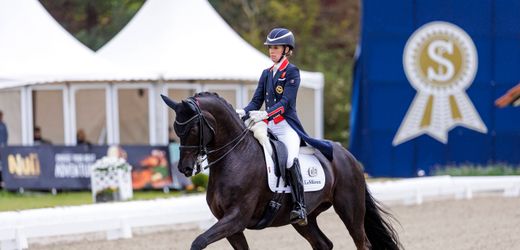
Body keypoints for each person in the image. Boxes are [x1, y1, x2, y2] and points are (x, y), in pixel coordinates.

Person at [241, 28, 333, 226]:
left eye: (275, 48)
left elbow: (286, 102)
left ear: (286, 50)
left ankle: (300, 206)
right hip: (268, 126)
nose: (271, 51)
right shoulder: (266, 74)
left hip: (286, 126)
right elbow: (256, 101)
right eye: (270, 48)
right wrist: (243, 112)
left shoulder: (291, 72)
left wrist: (267, 114)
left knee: (290, 159)